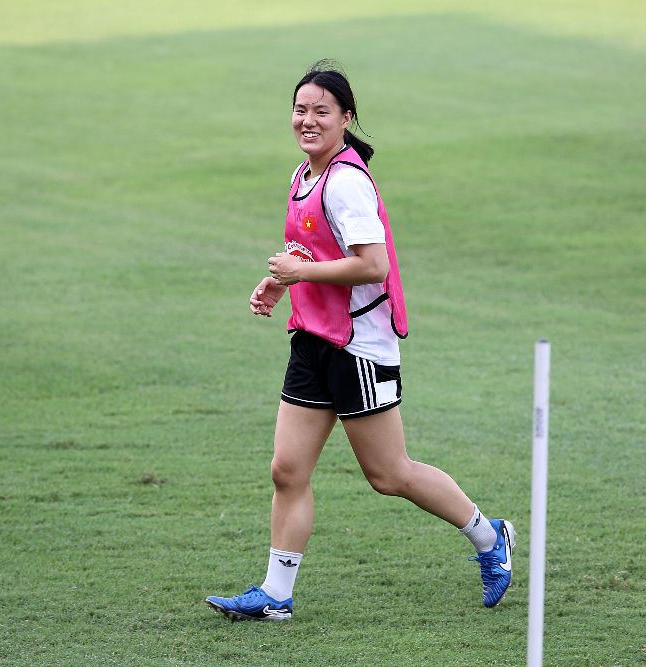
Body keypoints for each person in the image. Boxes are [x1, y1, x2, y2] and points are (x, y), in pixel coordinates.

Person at [204, 60, 514, 622]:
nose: (308, 120)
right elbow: (312, 248)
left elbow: (371, 266)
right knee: (287, 470)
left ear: (347, 119)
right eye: (301, 110)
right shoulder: (304, 176)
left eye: (322, 111)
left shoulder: (347, 182)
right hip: (312, 341)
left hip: (358, 348)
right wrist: (280, 281)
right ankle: (276, 595)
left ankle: (490, 537)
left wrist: (300, 276)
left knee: (389, 475)